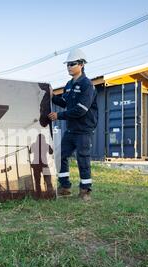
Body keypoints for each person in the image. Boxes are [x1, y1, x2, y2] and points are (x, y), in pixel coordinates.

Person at [48, 48, 98, 201]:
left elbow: (80, 110)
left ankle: (85, 190)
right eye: (67, 64)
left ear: (81, 64)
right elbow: (65, 103)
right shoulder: (69, 85)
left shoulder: (87, 85)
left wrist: (59, 116)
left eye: (72, 64)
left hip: (84, 130)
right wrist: (52, 96)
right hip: (71, 130)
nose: (69, 67)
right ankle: (64, 187)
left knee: (83, 158)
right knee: (61, 155)